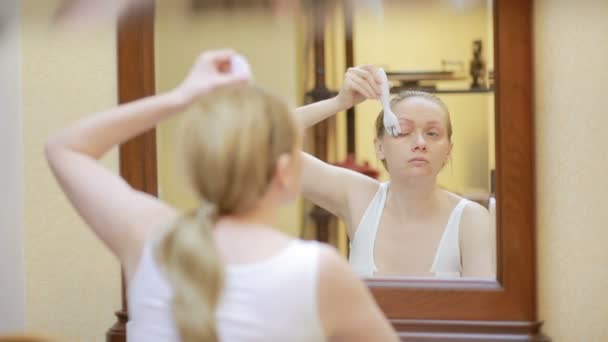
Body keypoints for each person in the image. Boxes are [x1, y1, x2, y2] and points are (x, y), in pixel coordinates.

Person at [45, 50, 398, 342]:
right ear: (286, 174)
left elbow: (64, 148)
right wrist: (337, 104)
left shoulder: (149, 238)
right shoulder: (320, 271)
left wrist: (181, 98)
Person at [297, 65, 495, 278]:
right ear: (379, 147)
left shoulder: (471, 219)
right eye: (402, 131)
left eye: (432, 133)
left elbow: (483, 309)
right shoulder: (360, 199)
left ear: (448, 150)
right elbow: (263, 145)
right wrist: (338, 103)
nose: (420, 143)